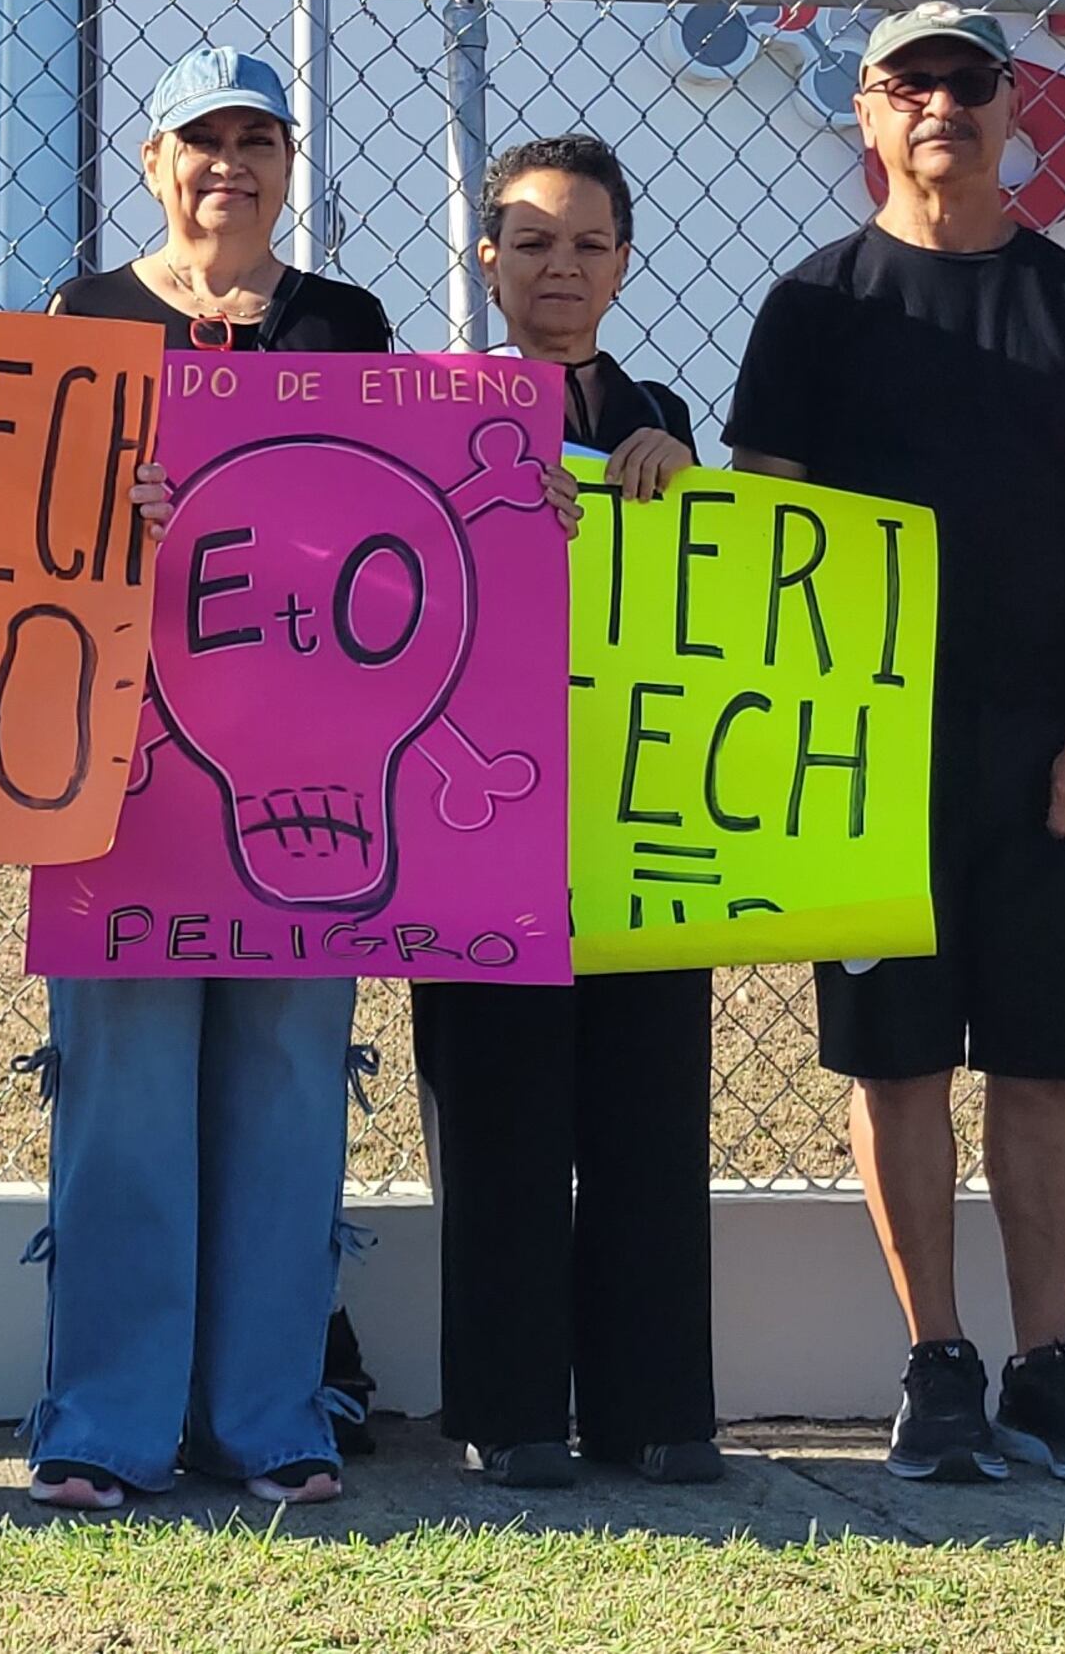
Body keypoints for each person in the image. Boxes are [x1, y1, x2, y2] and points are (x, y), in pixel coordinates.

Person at [725, 1, 1065, 1486]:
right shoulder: (815, 306)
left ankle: (1046, 1361)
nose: (943, 108)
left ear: (1009, 110)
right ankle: (941, 1366)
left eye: (971, 84)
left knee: (1042, 1067)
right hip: (861, 767)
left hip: (1052, 752)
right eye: (911, 84)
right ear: (865, 113)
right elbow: (757, 549)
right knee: (897, 1066)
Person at [22, 47, 396, 1509]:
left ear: (291, 165)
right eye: (203, 139)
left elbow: (396, 508)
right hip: (120, 757)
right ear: (154, 160)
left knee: (292, 1079)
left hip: (307, 766)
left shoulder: (347, 323)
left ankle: (271, 1414)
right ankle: (104, 1424)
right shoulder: (79, 318)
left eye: (260, 140)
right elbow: (19, 526)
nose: (229, 164)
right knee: (120, 1088)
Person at [409, 135, 724, 1490]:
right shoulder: (425, 399)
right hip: (477, 813)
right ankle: (510, 1404)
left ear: (624, 262)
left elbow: (709, 608)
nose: (561, 265)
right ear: (487, 259)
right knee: (499, 1111)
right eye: (532, 241)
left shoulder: (660, 412)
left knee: (651, 1111)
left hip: (638, 810)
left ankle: (655, 1410)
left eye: (588, 243)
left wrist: (677, 488)